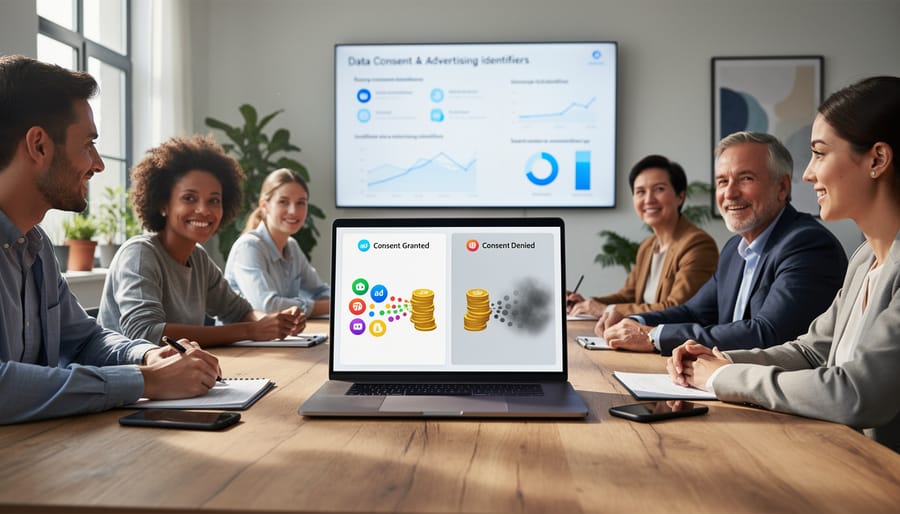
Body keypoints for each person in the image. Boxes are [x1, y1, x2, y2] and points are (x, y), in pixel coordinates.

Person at [668, 76, 900, 452]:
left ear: (877, 160)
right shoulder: (865, 260)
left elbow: (857, 392)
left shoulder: (814, 245)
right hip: (844, 457)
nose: (808, 173)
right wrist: (720, 358)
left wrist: (724, 377)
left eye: (820, 153)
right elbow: (812, 351)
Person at [0, 55, 220, 424]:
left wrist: (147, 356)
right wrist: (142, 381)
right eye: (88, 144)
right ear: (39, 145)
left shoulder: (36, 249)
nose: (98, 163)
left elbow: (85, 340)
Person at [602, 131, 848, 355]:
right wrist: (635, 322)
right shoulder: (734, 249)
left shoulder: (807, 245)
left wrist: (654, 336)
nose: (729, 193)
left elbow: (767, 334)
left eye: (745, 178)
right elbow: (693, 312)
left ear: (782, 187)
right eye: (722, 181)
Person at [98, 134, 306, 347]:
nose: (204, 210)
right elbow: (146, 333)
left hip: (180, 374)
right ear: (163, 204)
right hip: (128, 377)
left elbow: (239, 312)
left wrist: (277, 323)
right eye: (189, 198)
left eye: (214, 200)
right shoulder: (140, 254)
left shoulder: (198, 258)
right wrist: (251, 330)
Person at [567, 155, 718, 328]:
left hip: (674, 346)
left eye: (659, 189)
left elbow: (678, 309)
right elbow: (627, 296)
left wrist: (605, 309)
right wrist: (587, 303)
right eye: (640, 192)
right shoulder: (648, 245)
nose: (648, 199)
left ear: (680, 196)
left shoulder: (698, 245)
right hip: (641, 336)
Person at [224, 168, 330, 318]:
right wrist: (325, 306)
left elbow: (321, 291)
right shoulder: (249, 247)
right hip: (242, 340)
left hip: (278, 338)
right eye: (283, 202)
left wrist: (328, 303)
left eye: (301, 203)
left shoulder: (291, 246)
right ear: (264, 206)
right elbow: (268, 306)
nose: (293, 211)